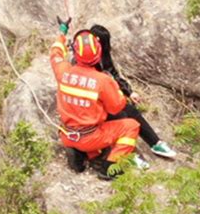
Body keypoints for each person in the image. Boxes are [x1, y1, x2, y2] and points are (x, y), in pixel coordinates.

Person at [50, 23, 142, 180]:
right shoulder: (102, 80)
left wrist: (62, 32)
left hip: (67, 133)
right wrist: (121, 93)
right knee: (131, 126)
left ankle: (83, 154)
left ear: (76, 54)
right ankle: (109, 168)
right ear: (98, 54)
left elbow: (55, 52)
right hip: (91, 136)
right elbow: (116, 108)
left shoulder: (63, 71)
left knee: (91, 133)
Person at [90, 24, 177, 159]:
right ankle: (127, 155)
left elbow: (114, 74)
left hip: (108, 98)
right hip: (94, 106)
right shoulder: (83, 61)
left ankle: (155, 143)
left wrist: (129, 92)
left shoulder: (103, 57)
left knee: (131, 110)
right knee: (121, 116)